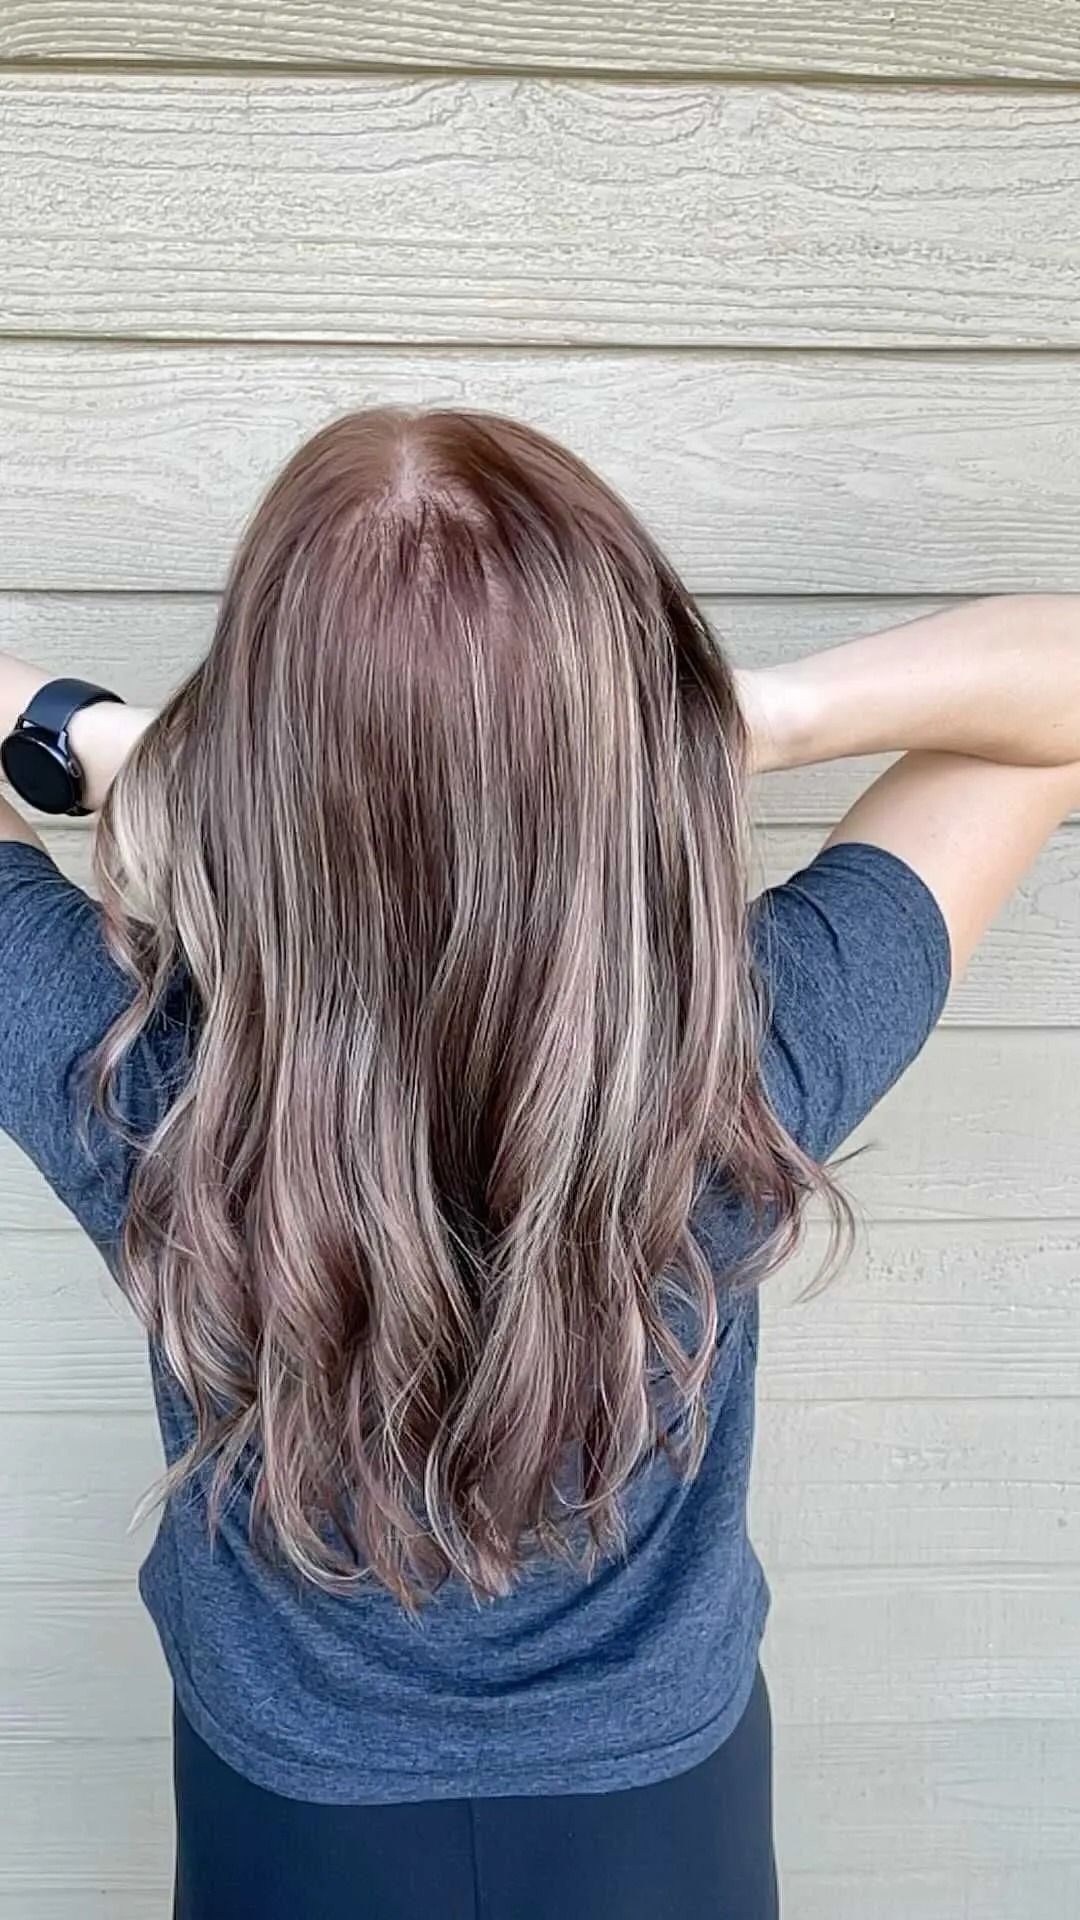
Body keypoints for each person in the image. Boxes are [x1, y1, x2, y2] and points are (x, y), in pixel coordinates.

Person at [0, 408, 1077, 1920]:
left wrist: (129, 751)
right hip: (658, 1805)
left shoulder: (146, 1079)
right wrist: (733, 720)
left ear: (254, 741)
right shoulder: (744, 1048)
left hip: (290, 1809)